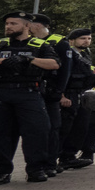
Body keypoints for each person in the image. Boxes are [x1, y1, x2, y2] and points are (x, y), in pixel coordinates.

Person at [0, 10, 62, 185]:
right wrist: (3, 61)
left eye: (13, 23)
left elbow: (54, 63)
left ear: (26, 25)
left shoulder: (39, 45)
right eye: (7, 24)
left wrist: (29, 59)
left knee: (37, 132)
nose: (8, 27)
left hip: (28, 93)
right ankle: (1, 172)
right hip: (1, 93)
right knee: (0, 134)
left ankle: (35, 169)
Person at [26, 14, 72, 178]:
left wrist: (59, 92)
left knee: (53, 128)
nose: (27, 27)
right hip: (32, 90)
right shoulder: (30, 42)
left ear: (36, 25)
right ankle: (38, 163)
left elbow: (65, 71)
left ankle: (50, 164)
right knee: (38, 129)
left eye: (29, 24)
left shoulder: (60, 43)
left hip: (51, 91)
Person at [58, 28, 95, 169]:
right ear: (72, 40)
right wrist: (61, 95)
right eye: (83, 38)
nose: (86, 41)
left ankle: (68, 157)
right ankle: (56, 158)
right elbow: (61, 76)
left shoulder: (84, 54)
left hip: (82, 94)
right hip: (69, 94)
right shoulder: (67, 54)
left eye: (88, 38)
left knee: (80, 127)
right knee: (65, 128)